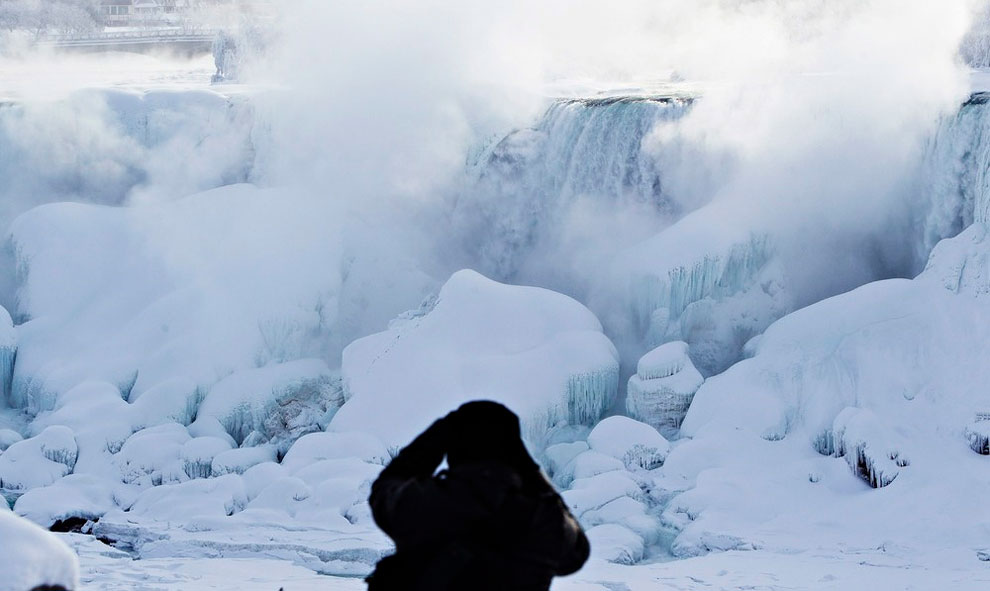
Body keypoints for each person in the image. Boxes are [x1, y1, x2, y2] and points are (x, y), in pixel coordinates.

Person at [367, 400, 590, 590]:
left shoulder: (425, 502)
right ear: (513, 451)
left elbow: (385, 487)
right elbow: (577, 552)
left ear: (455, 447)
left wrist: (437, 437)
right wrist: (528, 468)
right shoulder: (543, 518)